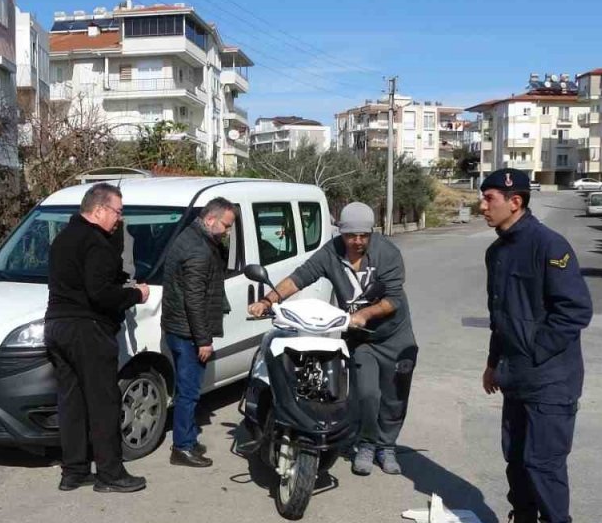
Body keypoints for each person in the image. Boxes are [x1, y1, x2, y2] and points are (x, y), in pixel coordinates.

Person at [471, 168, 593, 523]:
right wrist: (494, 362)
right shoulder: (498, 252)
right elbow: (500, 316)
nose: (482, 206)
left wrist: (533, 353)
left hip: (550, 378)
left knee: (543, 464)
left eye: (489, 198)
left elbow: (574, 311)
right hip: (516, 376)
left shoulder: (549, 246)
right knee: (517, 459)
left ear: (515, 201)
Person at [246, 202, 417, 476]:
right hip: (361, 339)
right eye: (351, 236)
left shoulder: (388, 253)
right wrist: (268, 301)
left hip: (394, 336)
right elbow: (300, 277)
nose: (357, 241)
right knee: (367, 394)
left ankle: (388, 447)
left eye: (364, 235)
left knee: (395, 397)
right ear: (341, 232)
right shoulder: (331, 253)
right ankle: (366, 444)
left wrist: (365, 313)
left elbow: (393, 299)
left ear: (371, 233)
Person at [45, 183, 150, 493]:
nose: (119, 219)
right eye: (117, 212)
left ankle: (74, 471)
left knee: (72, 402)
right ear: (99, 209)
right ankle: (110, 474)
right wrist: (135, 293)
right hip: (87, 329)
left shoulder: (62, 239)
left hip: (58, 327)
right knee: (104, 402)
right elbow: (101, 294)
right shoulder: (96, 242)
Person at [160, 197, 237, 469]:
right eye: (226, 226)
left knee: (188, 389)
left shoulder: (191, 237)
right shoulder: (198, 250)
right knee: (189, 392)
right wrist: (203, 340)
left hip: (178, 327)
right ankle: (182, 447)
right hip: (188, 333)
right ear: (210, 219)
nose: (227, 232)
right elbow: (194, 300)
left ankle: (188, 438)